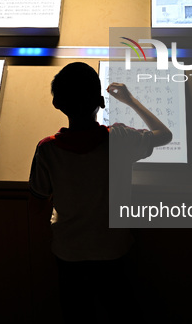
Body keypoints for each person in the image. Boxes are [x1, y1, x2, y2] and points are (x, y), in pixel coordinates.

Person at [29, 62, 171, 323]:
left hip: (68, 252)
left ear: (57, 103)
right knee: (122, 312)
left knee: (77, 316)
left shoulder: (47, 149)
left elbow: (38, 200)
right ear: (101, 101)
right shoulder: (120, 138)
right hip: (112, 249)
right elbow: (164, 135)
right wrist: (130, 100)